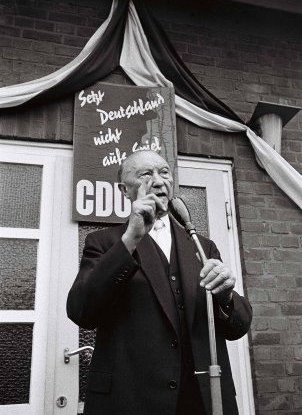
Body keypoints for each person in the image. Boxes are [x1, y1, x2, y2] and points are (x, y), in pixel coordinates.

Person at [67, 150, 252, 415]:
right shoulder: (103, 243)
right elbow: (81, 311)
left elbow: (238, 327)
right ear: (124, 189)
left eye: (164, 172)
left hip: (202, 400)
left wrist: (226, 297)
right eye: (145, 174)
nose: (158, 180)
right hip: (130, 401)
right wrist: (131, 238)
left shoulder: (202, 246)